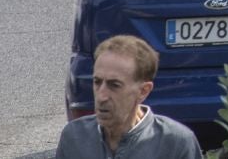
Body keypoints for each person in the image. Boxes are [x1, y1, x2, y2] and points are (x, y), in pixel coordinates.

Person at [55, 35, 201, 159]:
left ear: (143, 91)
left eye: (114, 85)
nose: (102, 95)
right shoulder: (74, 137)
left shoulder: (175, 143)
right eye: (97, 82)